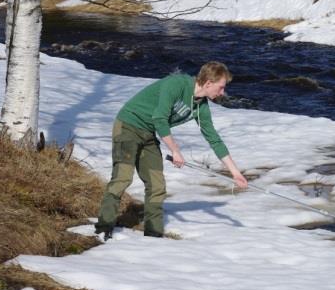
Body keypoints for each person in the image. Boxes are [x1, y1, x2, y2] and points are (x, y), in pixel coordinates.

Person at [95, 62, 248, 240]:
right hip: (128, 126)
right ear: (208, 83)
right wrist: (175, 151)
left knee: (157, 185)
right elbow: (160, 119)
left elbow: (213, 138)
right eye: (221, 87)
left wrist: (235, 173)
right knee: (123, 177)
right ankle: (103, 227)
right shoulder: (176, 84)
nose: (222, 93)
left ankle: (153, 234)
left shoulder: (201, 106)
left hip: (149, 133)